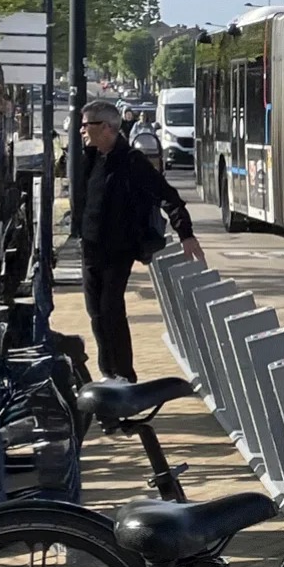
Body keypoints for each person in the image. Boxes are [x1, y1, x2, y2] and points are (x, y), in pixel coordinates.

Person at [75, 98, 204, 382]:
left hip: (118, 250)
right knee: (95, 315)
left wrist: (186, 234)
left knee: (111, 311)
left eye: (87, 125)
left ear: (107, 127)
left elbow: (169, 197)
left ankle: (124, 377)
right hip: (90, 249)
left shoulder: (132, 162)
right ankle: (108, 375)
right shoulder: (90, 158)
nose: (82, 130)